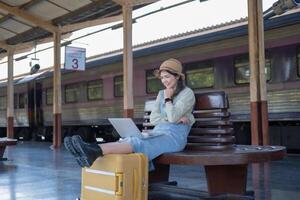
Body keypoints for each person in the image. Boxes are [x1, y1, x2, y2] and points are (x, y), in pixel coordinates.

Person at [64, 58, 195, 168]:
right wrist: (171, 118)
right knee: (129, 139)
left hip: (174, 138)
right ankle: (92, 149)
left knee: (138, 143)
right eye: (162, 78)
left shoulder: (186, 93)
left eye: (167, 77)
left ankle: (94, 151)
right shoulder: (161, 94)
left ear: (177, 76)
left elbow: (172, 118)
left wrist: (168, 99)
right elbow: (154, 119)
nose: (164, 81)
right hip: (158, 132)